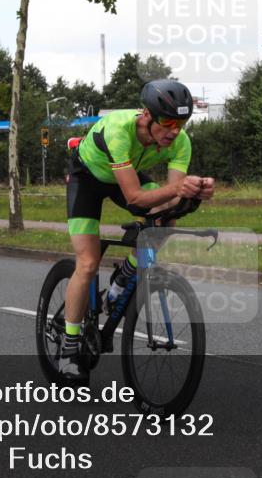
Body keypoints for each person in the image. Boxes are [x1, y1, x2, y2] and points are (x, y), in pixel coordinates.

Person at [61, 80, 215, 380]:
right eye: (168, 122)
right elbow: (133, 197)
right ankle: (69, 345)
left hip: (125, 173)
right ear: (147, 115)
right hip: (88, 178)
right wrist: (178, 190)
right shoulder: (118, 130)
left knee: (164, 218)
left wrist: (195, 192)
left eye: (181, 123)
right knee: (88, 262)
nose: (174, 131)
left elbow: (172, 196)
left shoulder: (181, 142)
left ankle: (124, 278)